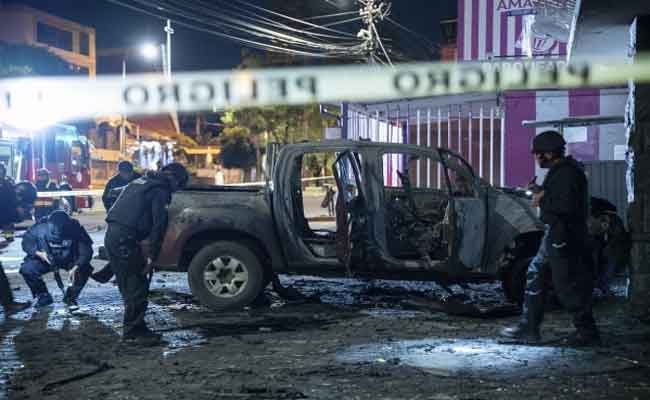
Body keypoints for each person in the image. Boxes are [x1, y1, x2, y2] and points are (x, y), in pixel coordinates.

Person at [501, 130, 600, 346]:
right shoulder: (562, 171)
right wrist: (540, 191)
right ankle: (529, 327)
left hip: (564, 236)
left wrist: (542, 201)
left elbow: (564, 206)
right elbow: (558, 197)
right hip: (555, 234)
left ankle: (587, 332)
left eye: (537, 154)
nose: (536, 159)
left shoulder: (566, 173)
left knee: (567, 284)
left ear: (548, 153)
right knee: (536, 274)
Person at [104, 162, 189, 343]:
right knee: (137, 285)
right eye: (179, 185)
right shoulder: (160, 190)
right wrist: (152, 255)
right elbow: (159, 225)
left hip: (113, 235)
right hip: (125, 240)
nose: (176, 190)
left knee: (129, 286)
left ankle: (137, 327)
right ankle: (133, 333)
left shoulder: (141, 181)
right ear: (173, 179)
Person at [19, 211, 94, 308]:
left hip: (69, 259)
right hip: (45, 258)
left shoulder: (76, 229)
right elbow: (26, 243)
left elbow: (87, 252)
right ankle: (43, 295)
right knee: (27, 269)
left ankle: (70, 297)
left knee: (84, 269)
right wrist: (38, 253)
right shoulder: (39, 227)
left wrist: (76, 266)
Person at [0, 163, 32, 315]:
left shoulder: (6, 190)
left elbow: (7, 225)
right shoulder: (6, 194)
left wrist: (7, 238)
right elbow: (8, 222)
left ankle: (8, 304)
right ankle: (8, 304)